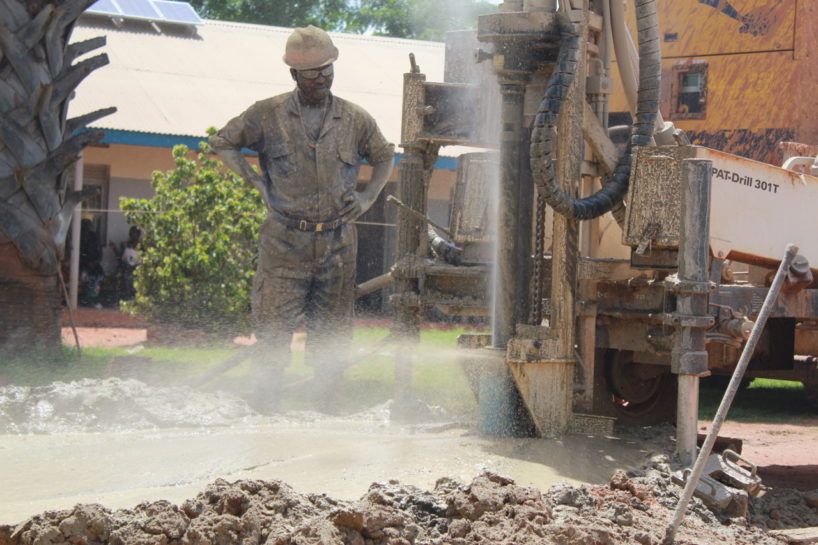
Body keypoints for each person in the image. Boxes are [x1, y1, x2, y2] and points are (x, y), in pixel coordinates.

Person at [209, 25, 395, 412]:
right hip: (284, 244)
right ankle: (265, 415)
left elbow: (383, 155)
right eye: (313, 72)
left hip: (338, 245)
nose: (322, 77)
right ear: (294, 73)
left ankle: (326, 415)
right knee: (273, 335)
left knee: (332, 337)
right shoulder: (267, 114)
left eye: (327, 68)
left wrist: (369, 195)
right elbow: (223, 142)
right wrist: (256, 183)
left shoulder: (355, 118)